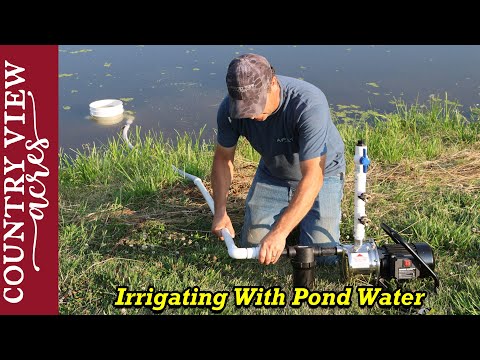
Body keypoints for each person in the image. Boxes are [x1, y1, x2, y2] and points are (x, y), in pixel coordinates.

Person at [210, 53, 346, 266]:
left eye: (256, 105)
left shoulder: (308, 103)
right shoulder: (227, 109)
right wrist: (220, 212)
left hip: (322, 173)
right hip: (274, 173)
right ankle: (297, 216)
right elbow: (223, 159)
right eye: (244, 109)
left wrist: (280, 232)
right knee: (253, 246)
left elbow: (313, 175)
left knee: (324, 257)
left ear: (273, 83)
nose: (253, 116)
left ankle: (301, 219)